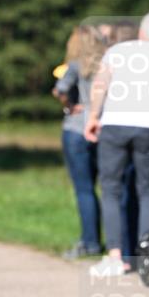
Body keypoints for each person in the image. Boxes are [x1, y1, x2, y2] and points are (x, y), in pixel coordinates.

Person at [84, 12, 149, 277]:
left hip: (114, 124)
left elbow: (99, 86)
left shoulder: (117, 51)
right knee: (147, 191)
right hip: (148, 127)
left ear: (141, 30)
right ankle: (146, 256)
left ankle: (116, 256)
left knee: (111, 190)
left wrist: (93, 116)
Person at [53, 24, 104, 259]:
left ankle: (90, 242)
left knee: (84, 190)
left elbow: (60, 89)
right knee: (109, 190)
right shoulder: (107, 66)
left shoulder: (74, 66)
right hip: (103, 129)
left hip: (76, 129)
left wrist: (69, 106)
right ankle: (116, 243)